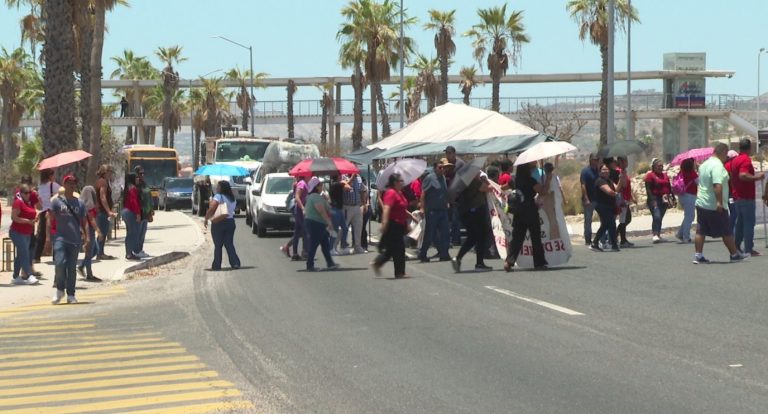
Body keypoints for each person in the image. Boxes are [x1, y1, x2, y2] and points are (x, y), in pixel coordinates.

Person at [693, 143, 748, 264]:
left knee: (701, 230)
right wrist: (719, 202)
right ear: (723, 152)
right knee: (726, 230)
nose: (726, 158)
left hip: (701, 202)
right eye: (726, 155)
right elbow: (717, 184)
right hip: (713, 204)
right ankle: (734, 255)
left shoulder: (704, 164)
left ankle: (698, 255)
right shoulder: (717, 166)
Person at [505, 162, 550, 271]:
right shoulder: (531, 181)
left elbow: (503, 187)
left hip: (518, 212)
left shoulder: (514, 180)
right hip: (530, 211)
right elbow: (543, 191)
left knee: (517, 238)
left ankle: (509, 261)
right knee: (535, 238)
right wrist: (548, 178)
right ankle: (539, 263)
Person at [50, 175, 88, 305]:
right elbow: (51, 220)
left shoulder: (80, 203)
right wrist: (49, 238)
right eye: (69, 183)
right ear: (64, 184)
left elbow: (84, 222)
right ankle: (60, 290)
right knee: (60, 264)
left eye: (74, 183)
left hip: (75, 239)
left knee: (71, 268)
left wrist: (87, 237)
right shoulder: (56, 202)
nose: (72, 185)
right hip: (60, 238)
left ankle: (71, 294)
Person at [729, 138, 765, 256]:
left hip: (737, 196)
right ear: (750, 148)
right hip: (746, 196)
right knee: (749, 222)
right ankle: (748, 248)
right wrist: (758, 177)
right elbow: (743, 175)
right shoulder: (745, 160)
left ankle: (736, 245)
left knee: (740, 222)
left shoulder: (735, 160)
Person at [452, 172, 492, 272]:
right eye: (478, 171)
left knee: (473, 237)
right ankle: (479, 263)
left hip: (468, 213)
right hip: (476, 211)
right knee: (481, 236)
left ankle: (458, 258)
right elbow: (488, 188)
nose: (479, 173)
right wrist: (485, 180)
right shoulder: (474, 182)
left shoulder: (466, 182)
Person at [372, 173, 410, 278]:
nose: (403, 183)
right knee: (398, 248)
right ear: (395, 182)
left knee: (393, 248)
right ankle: (399, 272)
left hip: (400, 224)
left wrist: (411, 217)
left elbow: (403, 208)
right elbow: (387, 208)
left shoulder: (399, 193)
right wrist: (384, 223)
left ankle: (378, 263)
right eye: (401, 181)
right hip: (393, 224)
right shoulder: (391, 193)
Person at [418, 158, 451, 262]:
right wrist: (422, 208)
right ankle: (423, 254)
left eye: (444, 168)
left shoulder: (443, 178)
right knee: (430, 234)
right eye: (440, 167)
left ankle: (444, 254)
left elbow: (443, 192)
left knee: (445, 232)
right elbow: (423, 194)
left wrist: (447, 202)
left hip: (442, 210)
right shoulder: (430, 178)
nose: (442, 170)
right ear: (435, 168)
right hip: (432, 211)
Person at [302, 177, 338, 272]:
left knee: (325, 244)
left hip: (319, 224)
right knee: (314, 244)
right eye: (320, 185)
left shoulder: (316, 197)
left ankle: (330, 263)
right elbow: (321, 211)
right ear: (316, 187)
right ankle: (310, 265)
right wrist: (329, 222)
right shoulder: (315, 197)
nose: (322, 187)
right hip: (315, 223)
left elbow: (327, 208)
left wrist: (327, 200)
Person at [204, 180, 241, 271]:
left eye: (218, 186)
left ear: (221, 188)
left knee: (218, 245)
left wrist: (206, 218)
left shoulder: (218, 196)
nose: (216, 187)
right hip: (230, 222)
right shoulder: (232, 198)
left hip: (219, 223)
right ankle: (235, 262)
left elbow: (212, 208)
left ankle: (217, 265)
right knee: (229, 244)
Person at [10, 184, 39, 285]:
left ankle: (15, 276)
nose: (28, 195)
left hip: (27, 233)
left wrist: (34, 219)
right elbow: (14, 217)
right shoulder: (18, 202)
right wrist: (27, 221)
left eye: (29, 193)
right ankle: (29, 274)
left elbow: (35, 210)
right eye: (26, 193)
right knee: (25, 253)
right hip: (17, 232)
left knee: (21, 254)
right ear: (21, 193)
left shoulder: (29, 203)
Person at [590, 164, 620, 252]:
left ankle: (595, 243)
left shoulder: (609, 181)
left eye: (607, 169)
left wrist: (621, 178)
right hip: (602, 206)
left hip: (609, 205)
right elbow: (610, 192)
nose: (605, 171)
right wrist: (616, 195)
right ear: (599, 172)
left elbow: (617, 188)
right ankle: (613, 244)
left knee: (606, 224)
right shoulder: (600, 181)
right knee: (611, 223)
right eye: (603, 169)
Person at [77, 186, 103, 282]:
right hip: (87, 231)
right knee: (89, 252)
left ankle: (82, 266)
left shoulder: (88, 205)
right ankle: (89, 274)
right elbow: (91, 219)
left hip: (88, 230)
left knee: (95, 250)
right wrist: (98, 231)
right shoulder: (86, 206)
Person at [34, 169, 60, 262]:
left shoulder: (40, 186)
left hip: (43, 211)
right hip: (53, 211)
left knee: (42, 234)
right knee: (56, 234)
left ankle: (36, 256)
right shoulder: (55, 186)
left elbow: (39, 200)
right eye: (53, 174)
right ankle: (56, 256)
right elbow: (61, 196)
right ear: (50, 176)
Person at [645, 158, 673, 243]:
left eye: (661, 166)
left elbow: (669, 187)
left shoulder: (665, 175)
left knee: (660, 217)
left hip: (664, 199)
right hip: (655, 198)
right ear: (654, 167)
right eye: (658, 166)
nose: (660, 167)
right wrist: (652, 199)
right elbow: (648, 189)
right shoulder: (650, 175)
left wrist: (673, 197)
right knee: (656, 216)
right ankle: (655, 234)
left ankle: (658, 235)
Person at [95, 164, 117, 260]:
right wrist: (108, 211)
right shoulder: (103, 182)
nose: (111, 174)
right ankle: (98, 253)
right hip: (102, 211)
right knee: (102, 232)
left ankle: (100, 252)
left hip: (103, 211)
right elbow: (102, 197)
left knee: (103, 232)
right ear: (105, 172)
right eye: (110, 172)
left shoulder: (105, 182)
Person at [444, 146, 465, 246]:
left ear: (454, 153)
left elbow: (463, 179)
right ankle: (448, 239)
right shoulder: (445, 163)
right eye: (446, 153)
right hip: (447, 195)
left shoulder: (460, 164)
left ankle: (455, 239)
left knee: (455, 219)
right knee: (448, 219)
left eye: (449, 153)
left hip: (458, 195)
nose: (447, 155)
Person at [343, 173, 368, 254]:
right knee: (343, 227)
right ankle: (341, 246)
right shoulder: (344, 177)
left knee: (358, 226)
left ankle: (357, 246)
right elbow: (345, 187)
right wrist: (352, 178)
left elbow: (362, 190)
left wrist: (364, 204)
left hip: (357, 206)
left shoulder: (359, 178)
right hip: (347, 206)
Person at [675, 158, 698, 243]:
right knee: (690, 217)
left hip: (682, 196)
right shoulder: (692, 173)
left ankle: (680, 233)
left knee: (687, 216)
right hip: (690, 196)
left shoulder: (680, 173)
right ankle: (686, 237)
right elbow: (699, 183)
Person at [579, 154, 600, 245]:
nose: (596, 161)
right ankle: (588, 239)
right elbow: (583, 185)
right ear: (590, 160)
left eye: (597, 159)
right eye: (594, 159)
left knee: (604, 218)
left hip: (599, 199)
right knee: (588, 220)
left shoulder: (598, 171)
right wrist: (586, 198)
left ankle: (601, 238)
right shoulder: (585, 171)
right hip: (589, 200)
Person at [615, 157, 636, 247]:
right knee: (624, 219)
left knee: (626, 219)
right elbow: (622, 185)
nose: (626, 163)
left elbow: (627, 186)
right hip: (622, 199)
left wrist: (631, 197)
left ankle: (619, 237)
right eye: (624, 161)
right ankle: (619, 238)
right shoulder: (619, 171)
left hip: (626, 198)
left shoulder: (624, 172)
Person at [121, 172, 142, 260]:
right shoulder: (132, 188)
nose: (138, 179)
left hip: (125, 211)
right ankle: (129, 253)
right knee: (132, 233)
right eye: (136, 177)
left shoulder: (127, 188)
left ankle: (129, 252)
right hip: (130, 212)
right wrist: (138, 213)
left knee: (129, 233)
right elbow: (134, 202)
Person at [134, 165, 154, 258]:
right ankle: (136, 250)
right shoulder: (136, 185)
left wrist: (151, 209)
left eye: (143, 173)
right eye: (140, 173)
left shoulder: (145, 184)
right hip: (139, 212)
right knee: (138, 233)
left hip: (146, 212)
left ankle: (140, 249)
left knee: (143, 232)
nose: (142, 175)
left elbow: (148, 197)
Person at [328, 174, 349, 255]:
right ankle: (330, 248)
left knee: (345, 228)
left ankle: (343, 246)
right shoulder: (336, 184)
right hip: (335, 210)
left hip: (338, 209)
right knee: (335, 230)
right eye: (340, 175)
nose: (341, 177)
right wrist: (351, 178)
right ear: (337, 177)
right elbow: (348, 187)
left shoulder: (335, 184)